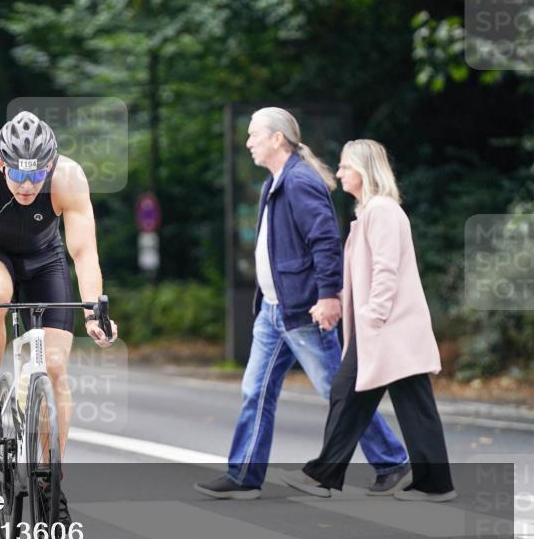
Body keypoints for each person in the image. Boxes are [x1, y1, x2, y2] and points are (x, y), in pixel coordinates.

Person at [195, 108, 409, 500]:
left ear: (278, 138)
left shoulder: (299, 181)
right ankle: (243, 476)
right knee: (255, 391)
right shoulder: (275, 183)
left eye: (254, 134)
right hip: (273, 312)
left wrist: (328, 296)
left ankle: (393, 462)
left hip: (303, 309)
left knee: (337, 389)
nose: (248, 142)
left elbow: (325, 242)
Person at [0, 111, 118, 524]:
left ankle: (51, 481)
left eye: (37, 176)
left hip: (46, 260)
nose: (28, 187)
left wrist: (95, 310)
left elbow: (84, 252)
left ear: (50, 166)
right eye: (19, 177)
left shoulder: (70, 178)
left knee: (57, 368)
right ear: (4, 164)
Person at [281, 139, 455, 501]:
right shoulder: (371, 213)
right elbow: (363, 275)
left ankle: (324, 476)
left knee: (354, 394)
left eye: (345, 166)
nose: (340, 172)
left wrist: (371, 318)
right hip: (383, 329)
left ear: (363, 170)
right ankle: (430, 483)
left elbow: (386, 271)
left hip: (388, 328)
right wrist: (341, 305)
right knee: (390, 402)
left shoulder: (382, 212)